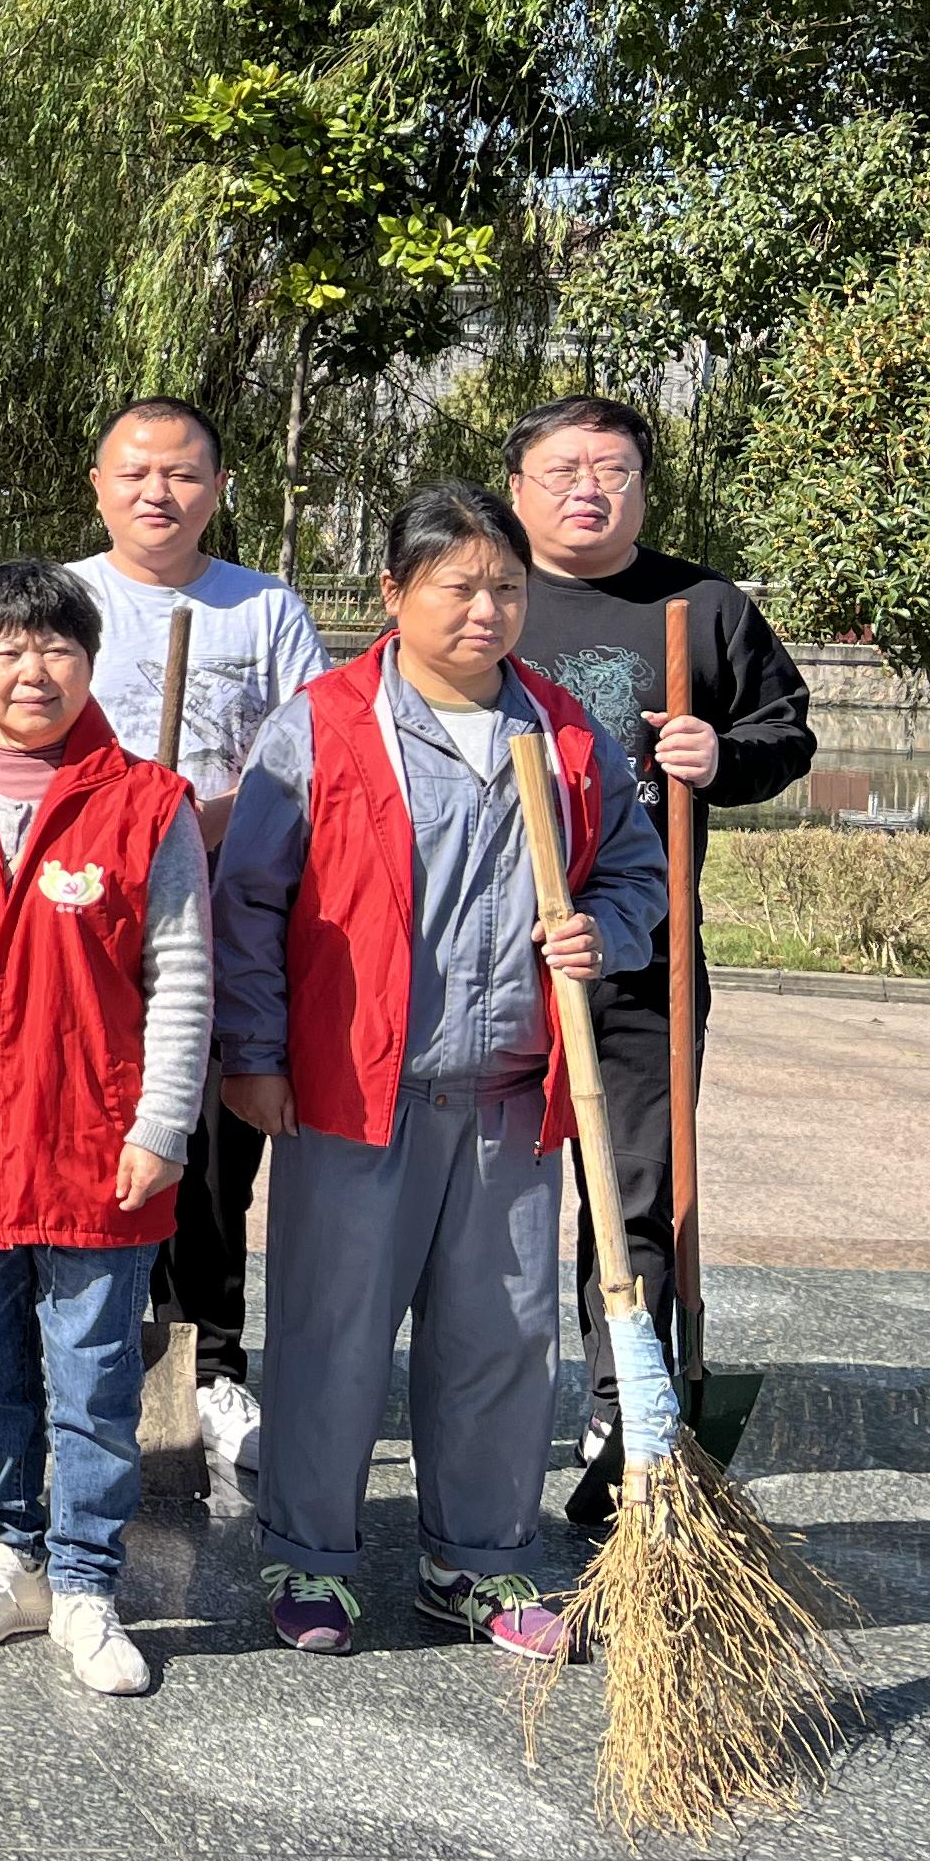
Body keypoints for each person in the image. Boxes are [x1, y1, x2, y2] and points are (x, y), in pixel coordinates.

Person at [213, 483, 662, 1664]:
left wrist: (602, 935)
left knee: (504, 1338)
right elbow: (249, 903)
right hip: (357, 1095)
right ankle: (312, 1557)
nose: (486, 609)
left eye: (506, 588)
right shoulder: (323, 725)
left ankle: (480, 1561)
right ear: (393, 597)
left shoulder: (564, 734)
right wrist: (252, 1053)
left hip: (512, 1097)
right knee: (331, 1335)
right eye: (458, 586)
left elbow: (636, 879)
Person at [0, 562, 208, 1700]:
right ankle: (8, 1554)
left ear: (89, 660)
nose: (34, 671)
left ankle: (85, 1581)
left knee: (95, 1376)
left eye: (58, 649)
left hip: (96, 1143)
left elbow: (180, 977)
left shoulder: (146, 803)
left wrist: (163, 1121)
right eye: (8, 652)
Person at [504, 392, 816, 1526]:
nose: (591, 486)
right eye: (565, 468)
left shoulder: (703, 606)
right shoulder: (484, 592)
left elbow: (787, 732)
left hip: (642, 950)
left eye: (615, 468)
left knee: (632, 1187)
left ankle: (620, 1399)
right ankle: (464, 1408)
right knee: (472, 1191)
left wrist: (720, 751)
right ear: (519, 488)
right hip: (489, 951)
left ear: (644, 484)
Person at [62, 397, 331, 1474]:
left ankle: (214, 1362)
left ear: (217, 489)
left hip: (224, 910)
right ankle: (97, 1354)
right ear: (98, 484)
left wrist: (208, 821)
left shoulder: (263, 610)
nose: (156, 494)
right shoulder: (68, 598)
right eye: (134, 474)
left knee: (216, 1154)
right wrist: (136, 824)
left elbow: (309, 751)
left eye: (180, 475)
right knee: (99, 1132)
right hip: (91, 912)